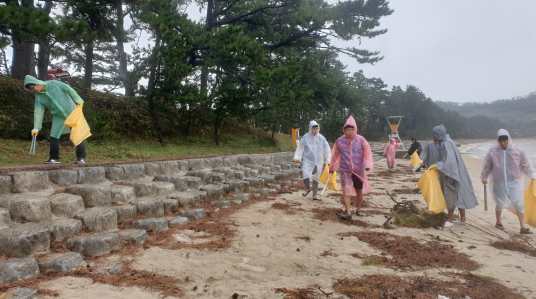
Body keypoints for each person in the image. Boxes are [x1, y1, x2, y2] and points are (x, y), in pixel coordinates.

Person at [420, 125, 478, 227]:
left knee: (449, 194)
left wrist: (436, 166)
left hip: (450, 174)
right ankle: (463, 218)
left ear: (438, 135)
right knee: (458, 193)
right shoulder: (445, 141)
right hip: (453, 172)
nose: (433, 136)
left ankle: (450, 220)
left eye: (434, 134)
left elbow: (449, 162)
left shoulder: (446, 144)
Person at [480, 129, 536, 234]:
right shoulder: (492, 152)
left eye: (504, 140)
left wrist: (532, 175)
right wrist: (484, 177)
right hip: (498, 181)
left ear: (508, 139)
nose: (502, 143)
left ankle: (522, 227)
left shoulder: (517, 151)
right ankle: (498, 222)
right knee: (499, 202)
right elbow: (487, 166)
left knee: (518, 202)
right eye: (500, 140)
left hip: (515, 181)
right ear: (497, 140)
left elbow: (526, 165)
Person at [24, 75, 88, 164]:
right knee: (54, 136)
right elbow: (38, 111)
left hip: (72, 112)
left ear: (37, 83)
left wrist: (79, 101)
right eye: (30, 89)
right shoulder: (38, 97)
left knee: (78, 135)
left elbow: (69, 89)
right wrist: (36, 127)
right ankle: (54, 158)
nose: (33, 90)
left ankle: (81, 158)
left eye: (33, 87)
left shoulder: (54, 84)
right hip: (58, 116)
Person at [329, 116, 373, 220]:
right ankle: (348, 212)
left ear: (355, 129)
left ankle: (358, 209)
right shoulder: (340, 141)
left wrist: (367, 164)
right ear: (344, 130)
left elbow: (367, 152)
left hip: (358, 168)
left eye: (352, 129)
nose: (350, 132)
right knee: (345, 190)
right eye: (348, 130)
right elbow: (335, 155)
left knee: (359, 190)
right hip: (345, 169)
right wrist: (332, 167)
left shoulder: (360, 140)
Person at [293, 121, 331, 200]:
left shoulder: (321, 137)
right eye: (313, 129)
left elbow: (326, 148)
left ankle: (315, 195)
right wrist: (297, 157)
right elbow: (300, 147)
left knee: (315, 177)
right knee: (305, 174)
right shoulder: (306, 137)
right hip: (308, 159)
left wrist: (328, 159)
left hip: (319, 160)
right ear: (310, 129)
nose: (315, 131)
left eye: (317, 129)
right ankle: (307, 188)